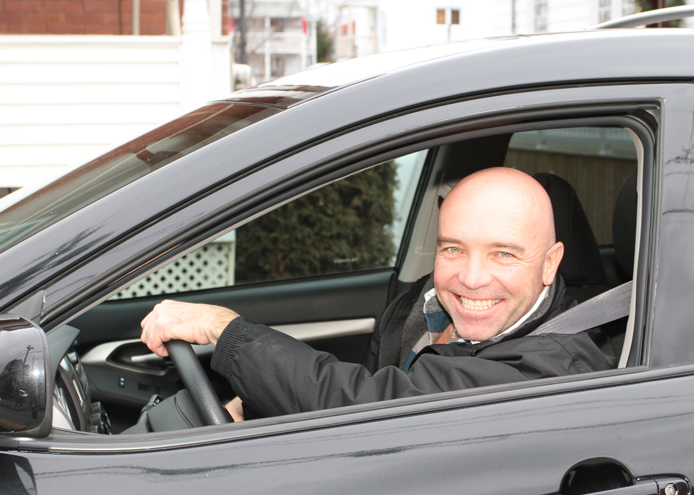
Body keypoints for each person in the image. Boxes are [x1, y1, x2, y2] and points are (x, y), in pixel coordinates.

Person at [140, 167, 617, 423]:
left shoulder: (549, 368)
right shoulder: (422, 307)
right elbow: (371, 378)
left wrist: (221, 329)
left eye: (504, 255)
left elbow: (372, 403)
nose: (471, 279)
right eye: (453, 248)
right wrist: (259, 400)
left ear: (550, 264)